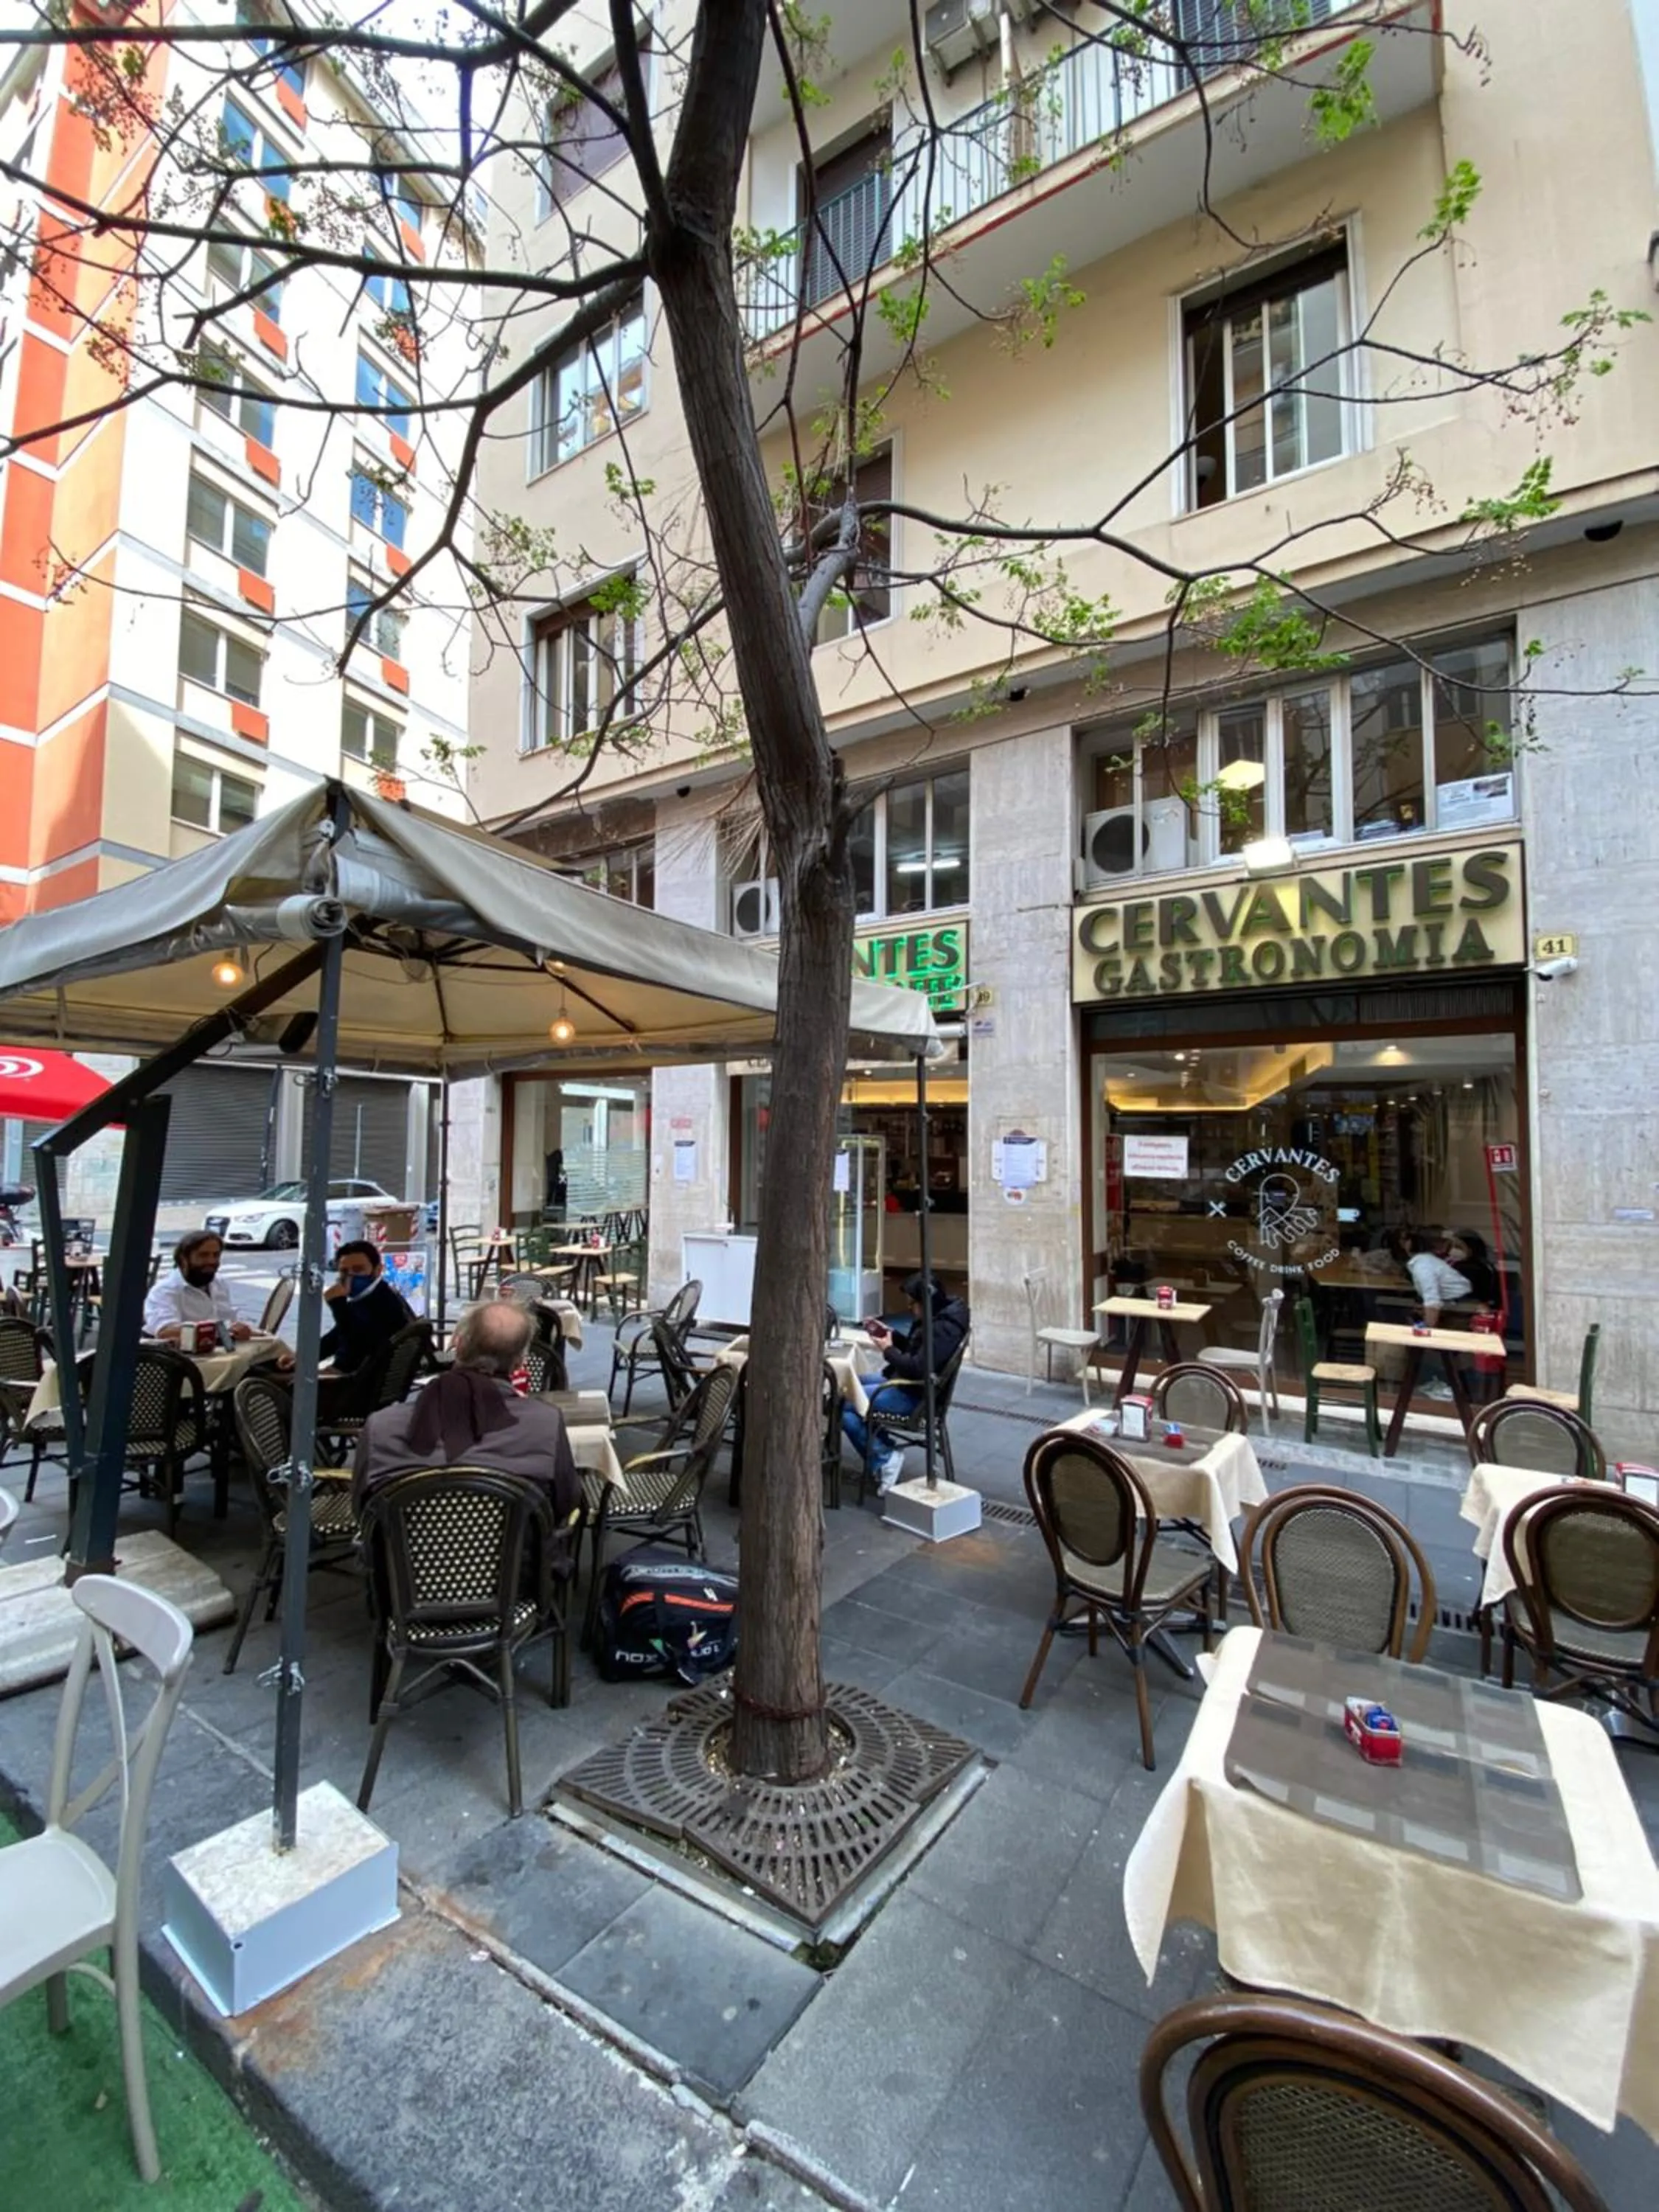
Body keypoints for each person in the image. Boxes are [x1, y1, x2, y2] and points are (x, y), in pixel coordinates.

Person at [351, 1298, 580, 1536]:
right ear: (520, 1364)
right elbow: (565, 1503)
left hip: (404, 1558)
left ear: (458, 1346)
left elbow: (362, 1510)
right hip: (516, 1558)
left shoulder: (381, 1427)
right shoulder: (546, 1424)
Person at [841, 1271, 970, 1493]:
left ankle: (884, 1458)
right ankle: (882, 1448)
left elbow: (917, 1368)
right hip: (908, 1384)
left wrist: (888, 1350)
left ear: (925, 1302)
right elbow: (917, 1351)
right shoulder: (936, 1318)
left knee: (845, 1402)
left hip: (916, 1398)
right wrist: (891, 1336)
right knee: (850, 1384)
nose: (910, 1308)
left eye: (913, 1303)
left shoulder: (942, 1329)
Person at [316, 1240, 412, 1374]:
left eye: (358, 1270)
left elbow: (354, 1349)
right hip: (361, 1376)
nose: (350, 1276)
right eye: (344, 1271)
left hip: (362, 1380)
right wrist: (303, 1357)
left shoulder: (382, 1303)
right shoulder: (366, 1297)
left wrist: (338, 1304)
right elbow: (335, 1337)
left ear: (378, 1270)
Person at [142, 1231, 252, 1343]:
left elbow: (229, 1322)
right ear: (184, 1259)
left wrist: (240, 1330)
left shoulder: (218, 1283)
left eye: (216, 1255)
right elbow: (166, 1332)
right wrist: (221, 1331)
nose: (211, 1261)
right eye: (203, 1255)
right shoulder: (165, 1291)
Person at [1406, 1231, 1474, 1399]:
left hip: (1459, 1308)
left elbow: (1432, 1300)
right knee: (1444, 1351)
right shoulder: (1427, 1261)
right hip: (1452, 1304)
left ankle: (1450, 1389)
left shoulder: (1423, 1265)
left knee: (1437, 1348)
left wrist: (1428, 1329)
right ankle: (1448, 1385)